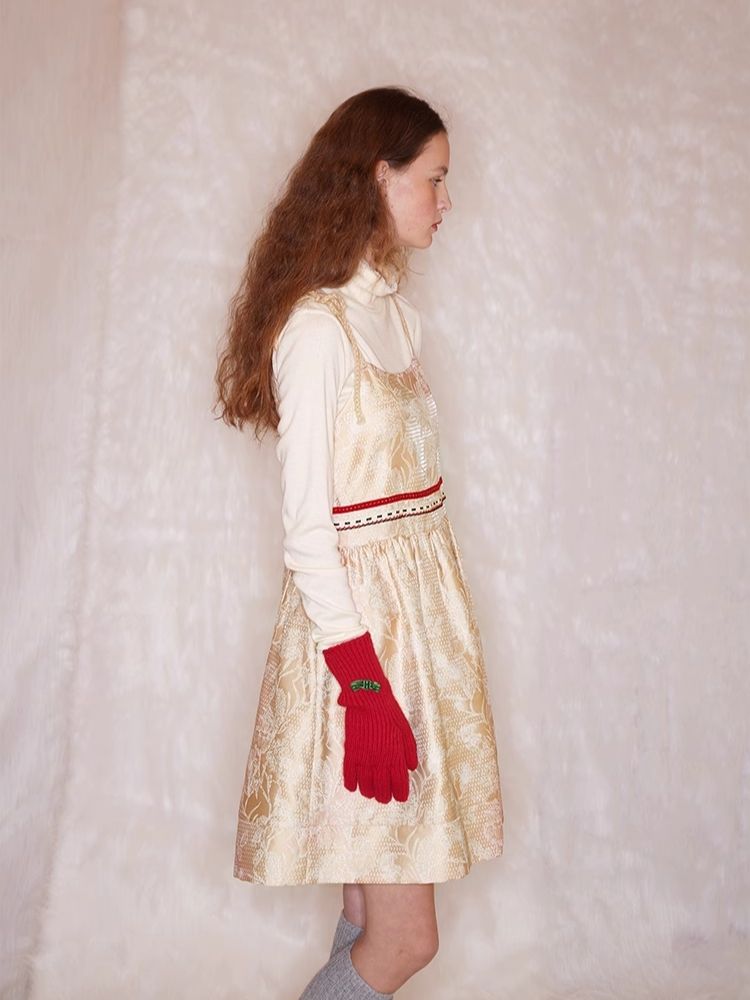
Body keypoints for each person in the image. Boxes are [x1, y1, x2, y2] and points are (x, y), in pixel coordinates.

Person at [214, 85, 504, 999]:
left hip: (420, 639)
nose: (446, 201)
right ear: (381, 177)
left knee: (369, 911)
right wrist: (366, 687)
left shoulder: (400, 318)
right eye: (434, 179)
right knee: (408, 940)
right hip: (362, 653)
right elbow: (308, 534)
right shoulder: (317, 329)